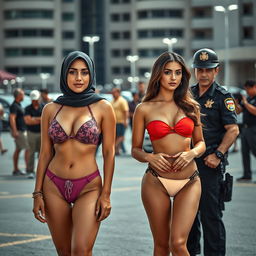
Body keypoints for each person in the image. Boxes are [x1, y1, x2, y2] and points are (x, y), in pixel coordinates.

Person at [32, 51, 116, 255]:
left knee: (80, 250)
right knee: (64, 251)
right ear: (64, 75)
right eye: (72, 72)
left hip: (88, 186)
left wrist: (106, 194)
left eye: (84, 73)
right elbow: (44, 154)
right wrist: (37, 193)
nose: (79, 78)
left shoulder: (103, 107)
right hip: (53, 185)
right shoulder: (51, 109)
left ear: (91, 75)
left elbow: (109, 153)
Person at [132, 51, 206, 256]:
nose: (174, 77)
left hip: (189, 181)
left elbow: (201, 144)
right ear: (158, 75)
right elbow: (135, 149)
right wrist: (149, 157)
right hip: (156, 181)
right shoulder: (144, 108)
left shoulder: (192, 106)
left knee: (179, 243)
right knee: (161, 246)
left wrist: (191, 153)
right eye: (168, 72)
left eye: (178, 73)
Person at [187, 48, 239, 256]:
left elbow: (233, 129)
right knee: (188, 217)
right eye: (200, 70)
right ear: (195, 71)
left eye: (208, 70)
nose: (204, 74)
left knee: (211, 217)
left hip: (210, 166)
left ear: (216, 70)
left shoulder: (222, 97)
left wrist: (217, 155)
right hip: (189, 164)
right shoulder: (187, 94)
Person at [236, 80, 256, 182]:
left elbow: (254, 111)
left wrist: (246, 103)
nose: (246, 91)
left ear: (254, 87)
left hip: (254, 128)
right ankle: (247, 174)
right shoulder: (248, 98)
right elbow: (239, 111)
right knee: (245, 152)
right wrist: (235, 103)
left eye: (248, 88)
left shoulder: (251, 100)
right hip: (245, 128)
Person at [9, 88, 29, 175]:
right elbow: (12, 118)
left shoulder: (18, 104)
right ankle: (28, 168)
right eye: (23, 94)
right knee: (28, 148)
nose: (24, 96)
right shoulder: (14, 105)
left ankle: (16, 169)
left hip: (21, 129)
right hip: (19, 130)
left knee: (18, 149)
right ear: (18, 95)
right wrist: (15, 131)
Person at [24, 90, 44, 179]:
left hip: (42, 133)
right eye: (33, 100)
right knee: (31, 152)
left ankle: (41, 171)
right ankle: (30, 171)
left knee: (41, 153)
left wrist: (34, 119)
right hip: (31, 133)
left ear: (39, 98)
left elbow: (46, 119)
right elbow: (28, 121)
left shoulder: (44, 107)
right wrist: (40, 119)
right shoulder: (28, 108)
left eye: (36, 99)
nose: (34, 101)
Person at [111, 87, 129, 155]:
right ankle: (117, 151)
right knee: (116, 136)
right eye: (112, 93)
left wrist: (125, 121)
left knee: (121, 136)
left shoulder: (122, 101)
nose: (113, 94)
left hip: (121, 121)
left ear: (118, 93)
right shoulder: (112, 101)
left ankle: (114, 146)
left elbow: (126, 111)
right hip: (114, 122)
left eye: (114, 92)